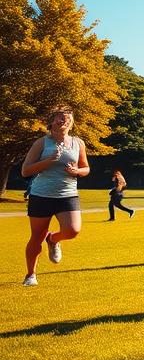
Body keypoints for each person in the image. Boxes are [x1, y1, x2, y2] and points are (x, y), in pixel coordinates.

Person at [20, 107, 90, 287]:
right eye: (60, 118)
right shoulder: (41, 143)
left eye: (68, 119)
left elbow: (86, 168)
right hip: (41, 195)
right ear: (51, 122)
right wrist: (49, 161)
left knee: (73, 230)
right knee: (36, 236)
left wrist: (77, 171)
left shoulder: (77, 143)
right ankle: (30, 275)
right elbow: (25, 171)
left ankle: (53, 239)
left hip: (67, 194)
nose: (64, 121)